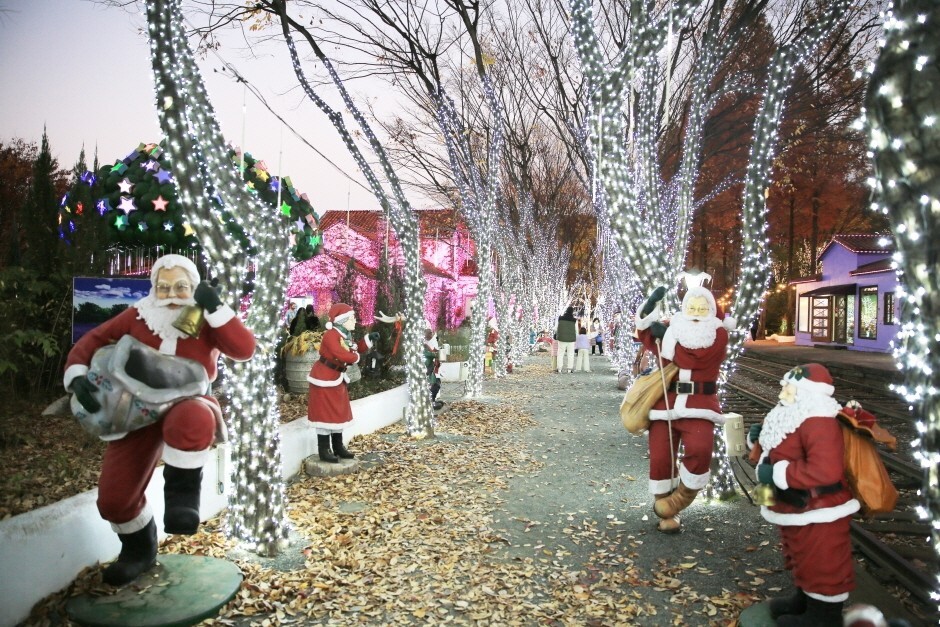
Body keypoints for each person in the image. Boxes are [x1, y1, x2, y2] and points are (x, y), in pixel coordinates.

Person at [64, 254, 256, 585]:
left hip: (187, 399)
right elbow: (93, 339)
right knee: (114, 499)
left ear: (194, 287)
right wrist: (77, 374)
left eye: (180, 287)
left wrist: (216, 308)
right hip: (135, 408)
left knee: (194, 417)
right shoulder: (138, 315)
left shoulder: (204, 319)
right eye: (163, 286)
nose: (170, 294)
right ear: (153, 287)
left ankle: (183, 500)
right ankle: (138, 549)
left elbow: (244, 348)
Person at [747, 364, 859, 626]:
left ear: (807, 393)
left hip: (818, 507)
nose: (783, 389)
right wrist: (758, 440)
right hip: (795, 506)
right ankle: (805, 598)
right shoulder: (793, 414)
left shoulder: (819, 420)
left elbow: (825, 469)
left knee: (822, 559)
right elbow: (784, 444)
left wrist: (776, 473)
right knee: (799, 553)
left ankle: (824, 617)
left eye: (790, 385)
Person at [635, 285, 731, 533]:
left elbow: (694, 356)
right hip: (665, 403)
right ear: (684, 307)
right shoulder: (674, 327)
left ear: (710, 310)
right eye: (691, 307)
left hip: (700, 405)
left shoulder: (717, 334)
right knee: (660, 458)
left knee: (700, 451)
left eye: (702, 308)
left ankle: (679, 500)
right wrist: (650, 306)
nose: (696, 313)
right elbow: (644, 332)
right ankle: (665, 511)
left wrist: (665, 335)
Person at [307, 303, 378, 463]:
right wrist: (356, 358)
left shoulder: (345, 334)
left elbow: (353, 349)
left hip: (336, 377)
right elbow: (342, 354)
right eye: (352, 318)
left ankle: (338, 446)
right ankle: (324, 449)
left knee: (337, 413)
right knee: (324, 414)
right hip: (324, 378)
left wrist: (367, 340)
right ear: (342, 320)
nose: (354, 320)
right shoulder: (331, 335)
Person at [423, 328, 445, 411]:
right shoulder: (423, 345)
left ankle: (432, 400)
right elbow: (431, 354)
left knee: (437, 383)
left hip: (434, 368)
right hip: (428, 369)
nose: (430, 334)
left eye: (431, 332)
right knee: (433, 385)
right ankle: (430, 402)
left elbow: (438, 354)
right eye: (428, 333)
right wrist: (436, 353)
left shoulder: (433, 342)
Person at [554, 306, 577, 373]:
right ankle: (569, 369)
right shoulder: (574, 320)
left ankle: (559, 368)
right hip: (571, 339)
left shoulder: (560, 318)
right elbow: (576, 331)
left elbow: (555, 328)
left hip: (561, 338)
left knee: (560, 353)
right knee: (570, 354)